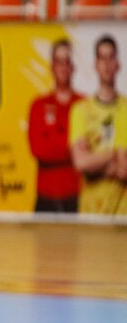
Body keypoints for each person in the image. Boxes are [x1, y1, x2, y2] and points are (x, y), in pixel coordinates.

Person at [69, 35, 127, 215]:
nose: (107, 64)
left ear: (118, 64)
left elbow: (124, 170)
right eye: (102, 58)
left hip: (123, 215)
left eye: (111, 57)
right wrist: (114, 154)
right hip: (91, 213)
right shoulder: (80, 110)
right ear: (95, 65)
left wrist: (95, 160)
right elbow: (81, 163)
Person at [28, 38, 83, 212]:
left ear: (73, 67)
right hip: (46, 197)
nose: (63, 67)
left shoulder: (84, 105)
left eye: (67, 61)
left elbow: (92, 149)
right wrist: (73, 147)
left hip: (76, 196)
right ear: (52, 66)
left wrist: (53, 140)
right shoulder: (38, 106)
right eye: (59, 62)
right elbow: (38, 149)